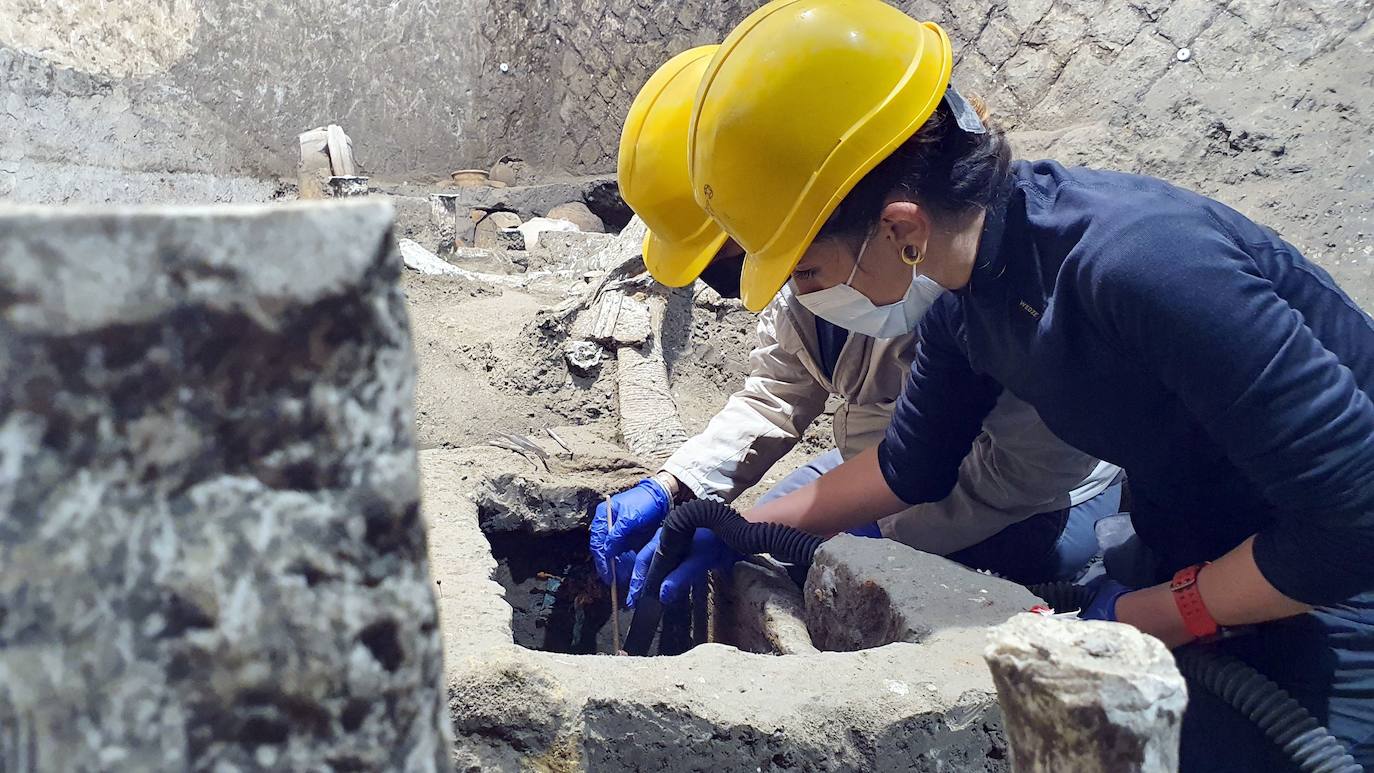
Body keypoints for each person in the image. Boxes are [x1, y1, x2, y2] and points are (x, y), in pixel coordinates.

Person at [676, 0, 1374, 769]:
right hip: (1199, 540)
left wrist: (1163, 611)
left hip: (1331, 581)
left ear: (902, 229)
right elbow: (909, 468)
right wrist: (734, 527)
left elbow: (1352, 521)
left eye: (808, 269)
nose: (806, 294)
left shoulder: (1140, 265)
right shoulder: (971, 302)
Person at [590, 45, 1123, 611]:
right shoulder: (824, 264)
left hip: (1031, 504)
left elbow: (1015, 475)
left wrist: (863, 536)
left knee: (823, 584)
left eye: (749, 260)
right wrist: (679, 485)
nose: (775, 286)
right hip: (885, 467)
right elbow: (779, 394)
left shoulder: (998, 292)